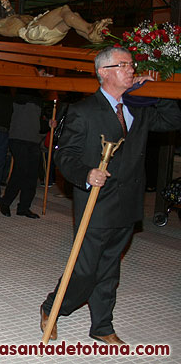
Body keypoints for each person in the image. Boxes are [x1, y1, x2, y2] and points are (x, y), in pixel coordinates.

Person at [40, 46, 181, 345]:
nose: (132, 70)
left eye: (132, 65)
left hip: (129, 200)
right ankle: (52, 308)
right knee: (86, 269)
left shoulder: (140, 106)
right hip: (97, 201)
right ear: (104, 72)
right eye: (125, 65)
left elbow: (172, 122)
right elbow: (65, 156)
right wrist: (86, 174)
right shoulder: (83, 110)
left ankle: (102, 326)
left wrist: (159, 89)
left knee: (110, 267)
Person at [0, 89, 50, 219]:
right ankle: (6, 201)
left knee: (32, 175)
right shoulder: (20, 96)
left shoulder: (39, 100)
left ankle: (24, 207)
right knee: (20, 170)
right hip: (18, 138)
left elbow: (38, 123)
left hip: (33, 140)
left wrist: (48, 124)